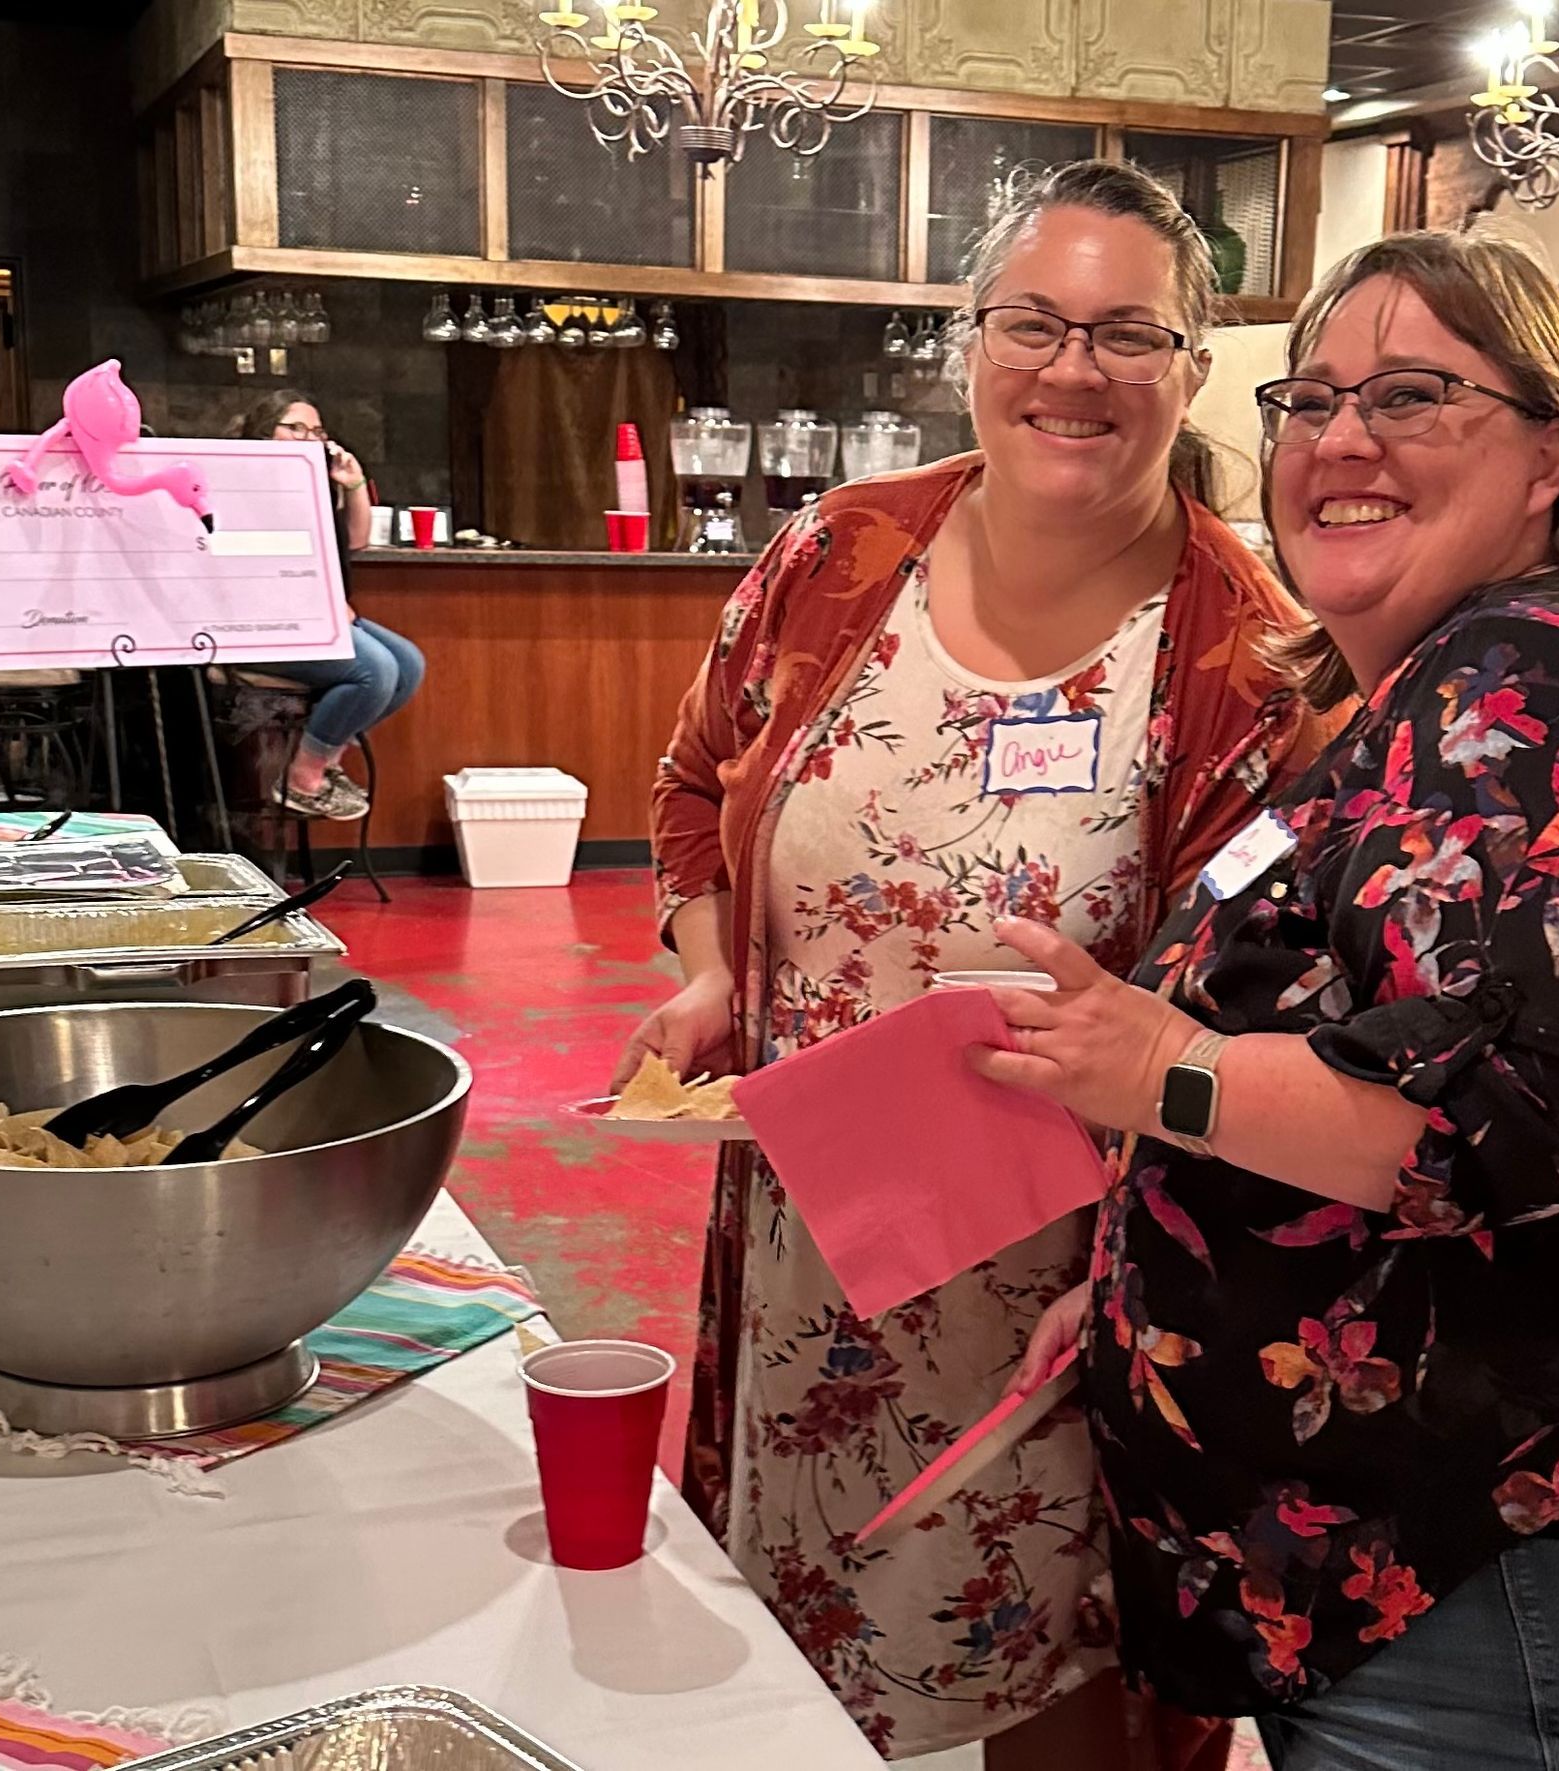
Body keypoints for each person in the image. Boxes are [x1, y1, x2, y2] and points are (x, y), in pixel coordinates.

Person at [984, 228, 1559, 1769]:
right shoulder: (1416, 690)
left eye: (1411, 395)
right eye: (1309, 398)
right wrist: (1142, 1270)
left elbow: (1505, 1123)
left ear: (1547, 455)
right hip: (1416, 1571)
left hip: (1512, 1566)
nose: (1340, 439)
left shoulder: (1552, 690)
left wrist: (1156, 1070)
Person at [624, 160, 1340, 1766]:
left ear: (1193, 365)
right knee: (790, 1681)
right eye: (1036, 322)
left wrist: (1134, 1247)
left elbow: (1263, 1012)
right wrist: (712, 970)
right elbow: (691, 782)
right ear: (970, 340)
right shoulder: (838, 552)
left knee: (1053, 1696)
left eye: (1127, 335)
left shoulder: (1252, 656)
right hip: (813, 1229)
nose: (1072, 370)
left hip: (1067, 1286)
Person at [233, 391, 424, 820]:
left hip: (315, 619)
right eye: (295, 428)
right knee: (375, 671)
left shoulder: (311, 489)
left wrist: (353, 483)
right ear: (263, 435)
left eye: (316, 431)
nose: (309, 439)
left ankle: (323, 755)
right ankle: (304, 777)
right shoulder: (243, 487)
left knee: (409, 665)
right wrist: (320, 605)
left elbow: (355, 540)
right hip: (261, 627)